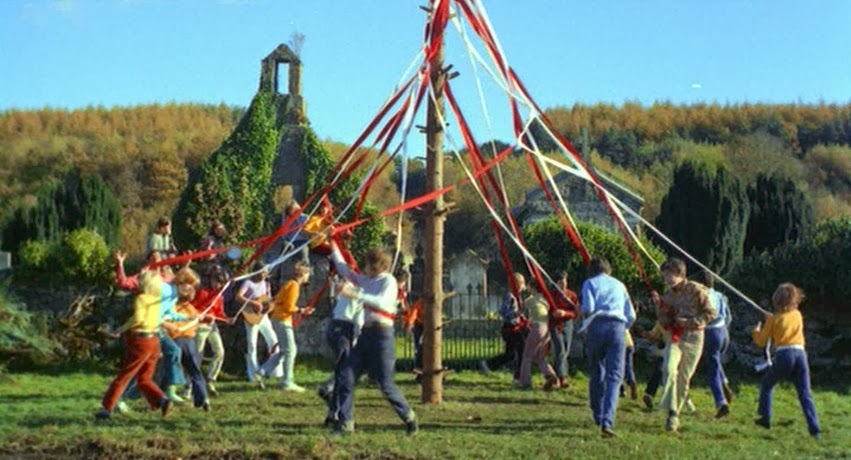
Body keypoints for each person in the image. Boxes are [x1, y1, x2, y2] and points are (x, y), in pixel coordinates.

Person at [328, 242, 418, 436]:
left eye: (368, 265)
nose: (364, 268)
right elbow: (344, 269)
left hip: (382, 337)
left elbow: (382, 303)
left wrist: (354, 293)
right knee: (346, 375)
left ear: (377, 266)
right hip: (364, 335)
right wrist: (332, 243)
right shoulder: (366, 280)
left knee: (385, 383)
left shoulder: (388, 281)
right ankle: (346, 422)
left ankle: (409, 417)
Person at [96, 271, 176, 420]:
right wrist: (122, 328)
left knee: (124, 376)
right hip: (154, 340)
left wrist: (121, 330)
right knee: (144, 378)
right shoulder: (156, 299)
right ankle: (162, 400)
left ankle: (107, 409)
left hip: (141, 341)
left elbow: (138, 319)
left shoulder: (141, 298)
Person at [651, 258, 716, 433]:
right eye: (664, 276)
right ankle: (670, 408)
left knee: (684, 377)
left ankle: (674, 414)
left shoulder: (696, 290)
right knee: (669, 368)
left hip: (694, 338)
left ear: (680, 273)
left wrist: (691, 322)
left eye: (670, 275)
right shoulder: (668, 295)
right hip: (675, 337)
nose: (667, 279)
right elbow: (664, 320)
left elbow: (711, 312)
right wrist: (659, 307)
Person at [113, 250, 185, 404]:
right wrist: (120, 264)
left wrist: (185, 266)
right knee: (140, 365)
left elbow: (182, 285)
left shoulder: (168, 278)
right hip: (147, 327)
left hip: (156, 326)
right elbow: (123, 283)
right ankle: (122, 397)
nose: (155, 262)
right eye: (152, 259)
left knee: (170, 353)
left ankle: (168, 390)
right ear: (148, 260)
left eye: (158, 259)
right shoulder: (144, 277)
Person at [751, 283, 821, 439]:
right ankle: (815, 429)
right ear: (794, 300)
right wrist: (772, 319)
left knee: (767, 385)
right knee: (805, 393)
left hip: (784, 355)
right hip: (801, 354)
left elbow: (762, 341)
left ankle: (764, 419)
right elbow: (785, 320)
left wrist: (756, 331)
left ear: (776, 300)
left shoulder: (773, 320)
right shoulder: (797, 315)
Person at [579, 257, 636, 438]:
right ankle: (608, 420)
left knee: (597, 371)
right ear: (608, 269)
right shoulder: (620, 285)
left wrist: (580, 311)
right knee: (615, 375)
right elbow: (631, 314)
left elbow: (589, 307)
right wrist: (623, 328)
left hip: (597, 326)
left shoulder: (589, 283)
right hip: (618, 328)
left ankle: (597, 413)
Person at [254, 261, 312, 392]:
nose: (308, 277)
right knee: (291, 350)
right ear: (303, 274)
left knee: (283, 350)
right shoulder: (294, 286)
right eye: (308, 274)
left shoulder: (289, 283)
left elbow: (279, 300)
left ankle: (262, 371)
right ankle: (287, 381)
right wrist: (301, 310)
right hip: (282, 320)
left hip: (278, 318)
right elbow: (288, 306)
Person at [318, 273, 365, 427]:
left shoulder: (350, 288)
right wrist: (357, 338)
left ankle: (332, 413)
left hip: (334, 327)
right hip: (345, 330)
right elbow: (359, 318)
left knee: (342, 372)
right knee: (345, 375)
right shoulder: (360, 292)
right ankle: (337, 412)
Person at [162, 268, 210, 411]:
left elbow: (193, 321)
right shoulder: (174, 304)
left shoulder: (188, 308)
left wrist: (204, 318)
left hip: (181, 341)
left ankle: (164, 398)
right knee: (193, 370)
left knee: (171, 371)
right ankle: (202, 397)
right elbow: (170, 320)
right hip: (182, 341)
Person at [694, 269, 735, 419]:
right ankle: (724, 382)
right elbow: (728, 316)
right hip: (723, 331)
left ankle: (721, 402)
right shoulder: (719, 295)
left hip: (711, 332)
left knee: (711, 369)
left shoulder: (701, 295)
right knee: (716, 360)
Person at [236, 262, 283, 382]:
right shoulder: (248, 282)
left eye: (265, 272)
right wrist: (253, 303)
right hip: (251, 317)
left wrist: (270, 306)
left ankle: (275, 371)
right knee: (252, 345)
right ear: (256, 271)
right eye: (262, 272)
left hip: (263, 317)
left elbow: (268, 300)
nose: (264, 274)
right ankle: (253, 374)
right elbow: (238, 297)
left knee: (274, 341)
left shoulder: (266, 284)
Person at [479, 273, 528, 383]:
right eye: (519, 284)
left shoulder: (518, 296)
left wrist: (522, 317)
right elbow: (503, 312)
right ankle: (518, 377)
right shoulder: (510, 296)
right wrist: (516, 314)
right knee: (521, 350)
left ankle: (488, 364)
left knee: (510, 354)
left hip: (517, 326)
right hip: (510, 328)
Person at [193, 266, 230, 396]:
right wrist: (203, 315)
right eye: (217, 281)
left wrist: (226, 319)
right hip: (200, 327)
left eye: (222, 283)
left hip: (212, 326)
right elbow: (193, 309)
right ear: (212, 280)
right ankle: (192, 385)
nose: (219, 285)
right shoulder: (203, 292)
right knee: (198, 356)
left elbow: (219, 312)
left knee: (220, 352)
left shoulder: (220, 296)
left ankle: (210, 379)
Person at [517, 280, 559, 390]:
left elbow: (520, 308)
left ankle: (525, 381)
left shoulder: (531, 300)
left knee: (527, 356)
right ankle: (551, 375)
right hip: (546, 329)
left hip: (537, 328)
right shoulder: (545, 299)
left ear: (533, 287)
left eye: (529, 286)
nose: (527, 288)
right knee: (540, 357)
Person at [549, 271, 577, 388]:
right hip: (555, 324)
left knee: (565, 350)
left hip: (568, 324)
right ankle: (562, 377)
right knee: (560, 349)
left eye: (565, 281)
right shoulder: (552, 295)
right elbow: (548, 310)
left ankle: (555, 377)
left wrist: (565, 313)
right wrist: (554, 314)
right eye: (561, 282)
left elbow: (575, 312)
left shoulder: (572, 295)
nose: (564, 284)